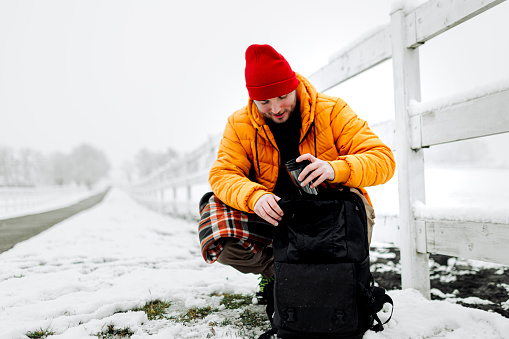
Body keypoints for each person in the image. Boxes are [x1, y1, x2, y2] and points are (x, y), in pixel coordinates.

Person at [199, 44, 395, 303]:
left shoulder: (332, 110)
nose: (276, 108)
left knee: (353, 198)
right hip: (279, 219)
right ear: (253, 99)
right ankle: (280, 272)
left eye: (282, 96)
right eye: (265, 102)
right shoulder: (239, 124)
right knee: (215, 214)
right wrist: (254, 197)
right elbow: (223, 173)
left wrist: (334, 168)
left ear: (294, 86)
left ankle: (336, 273)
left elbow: (383, 160)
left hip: (332, 216)